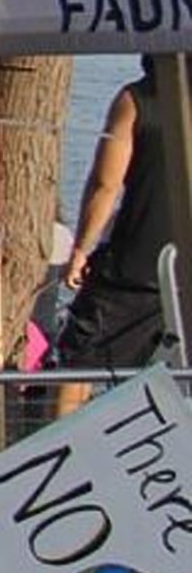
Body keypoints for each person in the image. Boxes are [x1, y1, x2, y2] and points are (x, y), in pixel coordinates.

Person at [53, 55, 179, 382]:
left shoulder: (136, 99)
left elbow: (105, 185)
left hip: (134, 270)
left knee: (77, 369)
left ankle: (68, 433)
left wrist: (81, 250)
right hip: (179, 271)